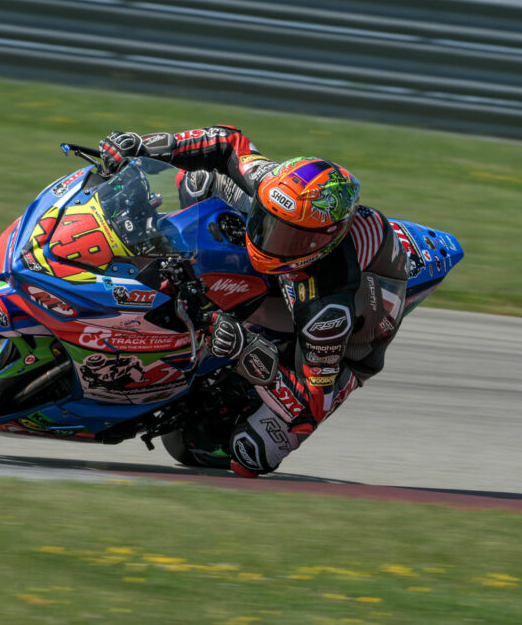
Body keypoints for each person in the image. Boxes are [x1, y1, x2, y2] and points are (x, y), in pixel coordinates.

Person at [99, 126, 410, 478]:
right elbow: (227, 142)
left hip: (343, 349)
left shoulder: (327, 310)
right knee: (196, 180)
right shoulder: (276, 189)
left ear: (321, 243)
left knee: (251, 456)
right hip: (293, 277)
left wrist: (245, 349)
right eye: (267, 221)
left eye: (289, 238)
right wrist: (147, 146)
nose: (269, 240)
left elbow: (310, 404)